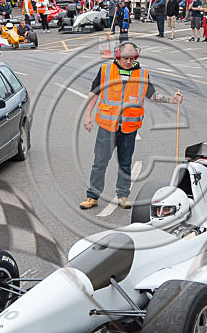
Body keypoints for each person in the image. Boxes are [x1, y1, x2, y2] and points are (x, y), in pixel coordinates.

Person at [79, 42, 184, 210]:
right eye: (125, 58)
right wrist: (87, 115)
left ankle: (123, 195)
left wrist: (171, 100)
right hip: (107, 126)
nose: (128, 61)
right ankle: (92, 196)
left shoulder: (142, 74)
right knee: (100, 162)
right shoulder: (106, 71)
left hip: (129, 128)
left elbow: (152, 95)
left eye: (131, 58)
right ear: (117, 56)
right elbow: (94, 93)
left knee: (125, 163)